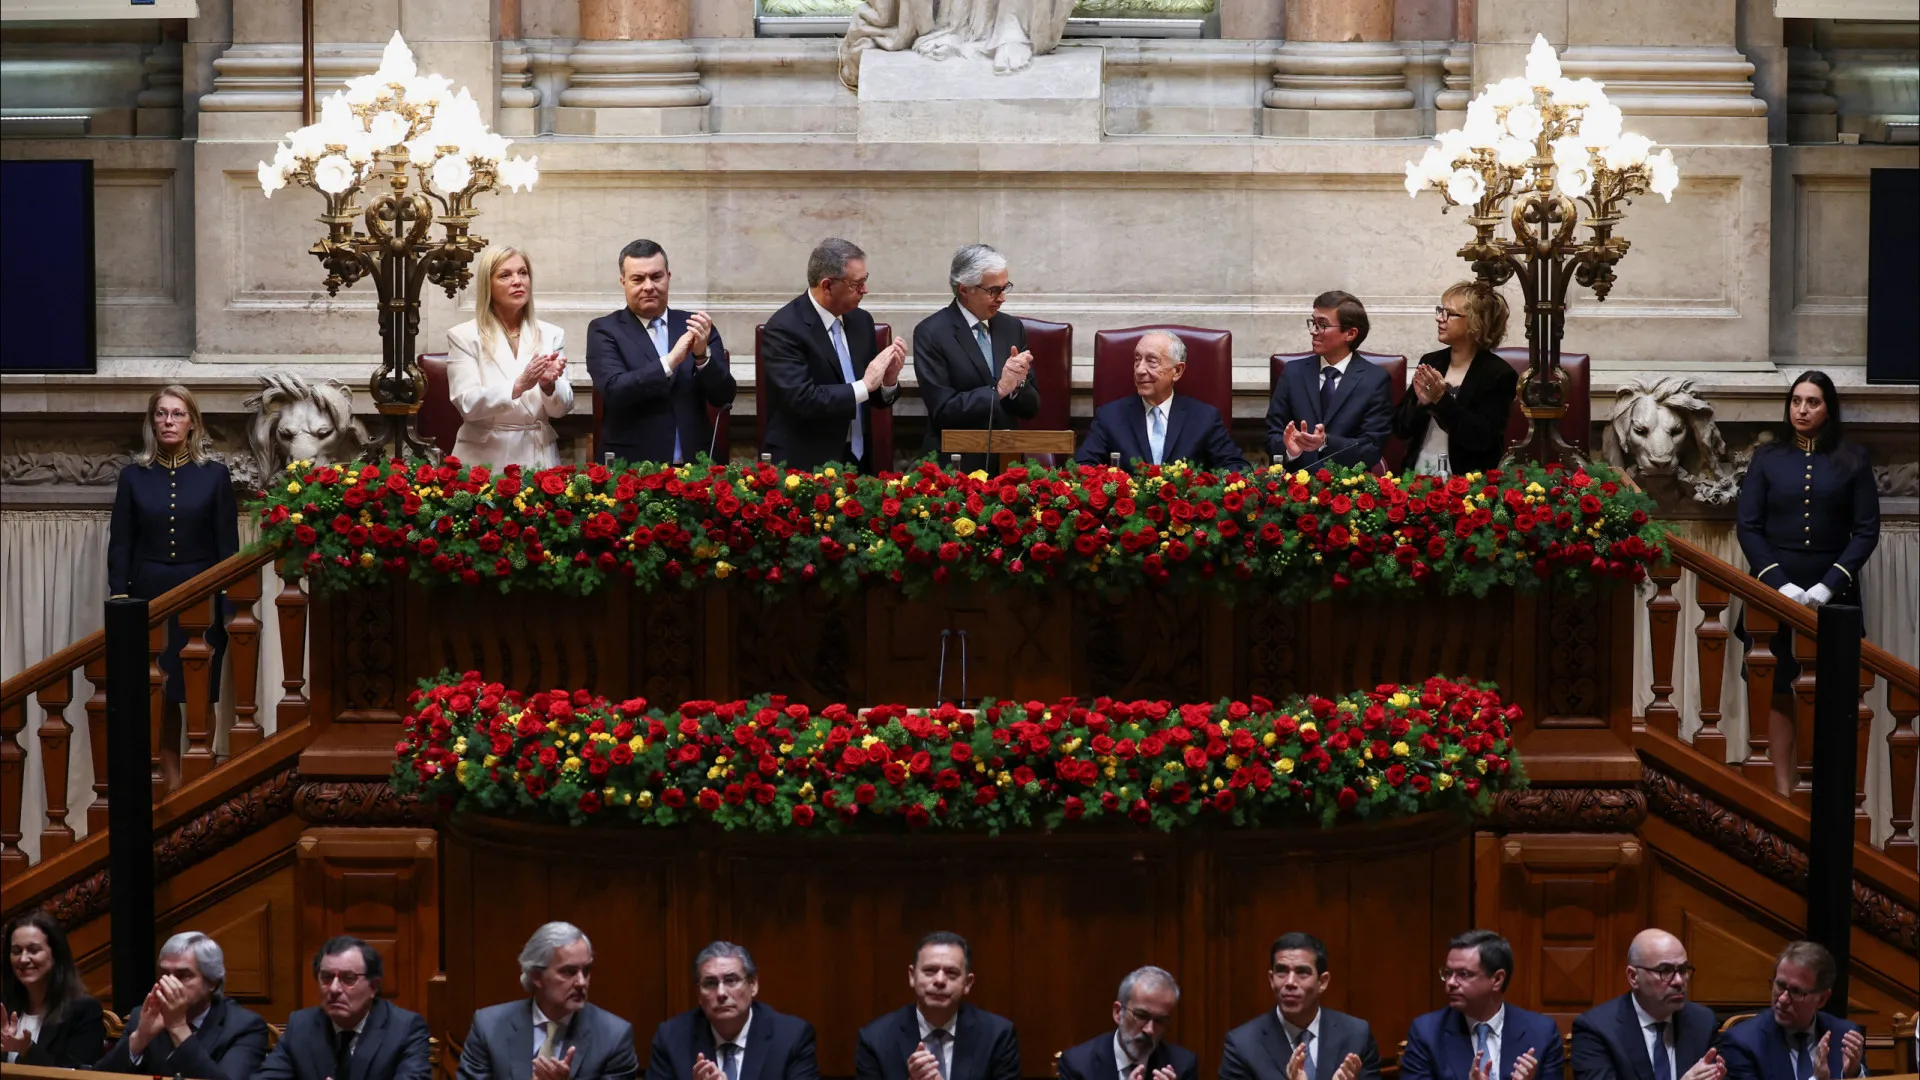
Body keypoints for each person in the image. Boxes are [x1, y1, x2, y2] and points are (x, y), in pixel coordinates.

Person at [1735, 371, 1880, 797]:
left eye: (1812, 402)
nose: (1801, 409)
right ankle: (1783, 788)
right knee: (1777, 685)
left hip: (1833, 595)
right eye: (1796, 401)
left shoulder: (1852, 458)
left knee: (1834, 692)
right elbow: (1748, 526)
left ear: (1828, 409)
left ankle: (1823, 791)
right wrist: (1778, 584)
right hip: (1772, 592)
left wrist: (1829, 585)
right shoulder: (1767, 458)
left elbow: (1867, 530)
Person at [108, 384, 239, 789]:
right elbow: (122, 543)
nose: (168, 421)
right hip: (150, 597)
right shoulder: (133, 477)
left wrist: (228, 604)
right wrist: (121, 597)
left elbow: (227, 546)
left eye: (177, 414)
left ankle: (203, 775)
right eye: (161, 414)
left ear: (192, 423)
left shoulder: (214, 476)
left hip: (201, 595)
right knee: (160, 692)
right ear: (152, 423)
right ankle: (172, 781)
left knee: (202, 690)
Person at [760, 238, 906, 472]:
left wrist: (887, 381)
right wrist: (866, 385)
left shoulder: (861, 320)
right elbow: (802, 398)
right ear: (827, 285)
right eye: (856, 284)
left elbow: (874, 399)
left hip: (859, 460)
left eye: (865, 280)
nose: (865, 290)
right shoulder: (784, 328)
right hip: (805, 463)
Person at [587, 239, 736, 465]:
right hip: (631, 469)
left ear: (668, 277)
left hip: (695, 467)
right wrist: (669, 362)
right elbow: (614, 390)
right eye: (638, 279)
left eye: (656, 277)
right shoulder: (604, 330)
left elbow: (724, 396)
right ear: (623, 282)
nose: (648, 286)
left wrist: (702, 357)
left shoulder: (695, 326)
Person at [912, 244, 1040, 471]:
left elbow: (1031, 408)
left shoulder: (1012, 327)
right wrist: (999, 390)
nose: (1002, 298)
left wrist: (1018, 385)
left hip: (1006, 464)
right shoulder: (931, 333)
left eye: (1005, 288)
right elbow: (943, 410)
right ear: (964, 289)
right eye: (993, 290)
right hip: (955, 466)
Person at [445, 244, 573, 469]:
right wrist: (518, 385)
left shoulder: (552, 334)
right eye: (505, 275)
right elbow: (467, 405)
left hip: (539, 455)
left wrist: (548, 386)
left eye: (523, 273)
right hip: (485, 459)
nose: (517, 281)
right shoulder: (463, 336)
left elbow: (561, 409)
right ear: (488, 285)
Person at [460, 922, 638, 1080]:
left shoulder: (614, 1036)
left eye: (586, 971)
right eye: (569, 972)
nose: (582, 982)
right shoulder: (489, 1027)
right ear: (537, 976)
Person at [95, 930, 269, 1080]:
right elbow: (96, 1078)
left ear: (212, 983)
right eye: (164, 973)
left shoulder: (244, 1027)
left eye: (183, 975)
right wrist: (140, 1038)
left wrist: (179, 1028)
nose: (169, 983)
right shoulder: (144, 1016)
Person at [255, 936, 431, 1080]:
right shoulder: (301, 1026)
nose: (334, 989)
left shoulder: (405, 1029)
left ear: (373, 986)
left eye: (348, 978)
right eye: (327, 977)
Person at [1075, 330, 1249, 473]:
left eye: (1151, 361)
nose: (1140, 369)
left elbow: (1236, 469)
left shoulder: (1204, 418)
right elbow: (1083, 467)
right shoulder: (1110, 417)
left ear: (1177, 371)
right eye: (1137, 359)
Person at [1392, 283, 1520, 476]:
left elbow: (1481, 439)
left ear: (1476, 323)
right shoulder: (1431, 361)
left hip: (1467, 484)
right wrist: (1418, 403)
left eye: (1449, 314)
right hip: (1418, 473)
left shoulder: (1499, 374)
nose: (1439, 318)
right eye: (1440, 311)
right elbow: (1400, 428)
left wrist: (1441, 400)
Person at [854, 932, 1019, 1080]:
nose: (940, 980)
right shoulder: (875, 1040)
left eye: (951, 973)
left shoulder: (997, 1036)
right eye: (930, 970)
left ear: (967, 983)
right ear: (912, 976)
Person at [1401, 930, 1564, 1080]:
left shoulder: (1542, 1033)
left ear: (1497, 979)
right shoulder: (1426, 1033)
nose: (1450, 983)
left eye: (1463, 974)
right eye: (1448, 973)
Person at [646, 941, 819, 1080]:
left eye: (731, 980)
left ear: (753, 985)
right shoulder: (671, 1038)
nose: (721, 993)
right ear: (699, 994)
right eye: (710, 983)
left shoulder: (791, 1038)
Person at [1222, 933, 1380, 1080]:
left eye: (1302, 972)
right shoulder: (1242, 1045)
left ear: (1322, 982)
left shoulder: (1356, 1035)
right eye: (1282, 971)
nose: (1290, 982)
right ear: (1271, 979)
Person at [1265, 291, 1395, 470]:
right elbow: (1272, 434)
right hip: (1293, 488)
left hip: (1347, 489)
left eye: (1322, 325)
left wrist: (1326, 442)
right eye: (1313, 323)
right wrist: (1291, 451)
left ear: (1350, 333)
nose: (1313, 331)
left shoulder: (1375, 381)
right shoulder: (1293, 373)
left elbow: (1371, 448)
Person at [1571, 929, 1723, 1080]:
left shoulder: (1702, 1022)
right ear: (1633, 977)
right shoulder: (1597, 1029)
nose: (1678, 981)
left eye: (1683, 970)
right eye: (1665, 970)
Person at [1720, 941, 1864, 1080]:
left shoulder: (1844, 1036)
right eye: (1780, 985)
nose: (1782, 999)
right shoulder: (1743, 1043)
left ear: (1822, 999)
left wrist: (1852, 1075)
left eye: (1796, 991)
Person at [1058, 966, 1198, 1080]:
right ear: (1118, 1012)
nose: (1149, 1030)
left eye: (1160, 1020)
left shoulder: (1182, 1065)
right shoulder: (1078, 1065)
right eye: (1141, 1016)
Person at [0, 911, 102, 1068]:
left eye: (33, 950)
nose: (23, 959)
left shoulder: (84, 1010)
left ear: (55, 955)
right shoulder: (4, 1006)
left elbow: (77, 1075)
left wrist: (27, 1050)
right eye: (16, 951)